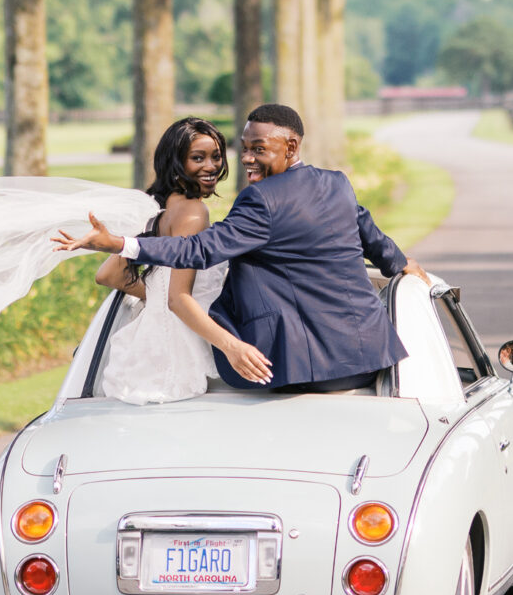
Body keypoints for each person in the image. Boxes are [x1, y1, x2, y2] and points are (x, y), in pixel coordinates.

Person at [57, 103, 423, 394]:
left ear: (291, 147)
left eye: (258, 149)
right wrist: (403, 264)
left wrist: (119, 244)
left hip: (295, 369)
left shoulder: (260, 200)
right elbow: (370, 235)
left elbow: (198, 251)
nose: (245, 158)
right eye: (244, 148)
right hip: (368, 358)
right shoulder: (336, 183)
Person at [89, 118, 268, 402]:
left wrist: (157, 298)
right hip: (184, 348)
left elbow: (108, 275)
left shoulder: (158, 207)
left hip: (149, 343)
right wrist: (233, 347)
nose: (211, 166)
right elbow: (178, 299)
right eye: (198, 158)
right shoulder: (194, 213)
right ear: (176, 163)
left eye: (216, 156)